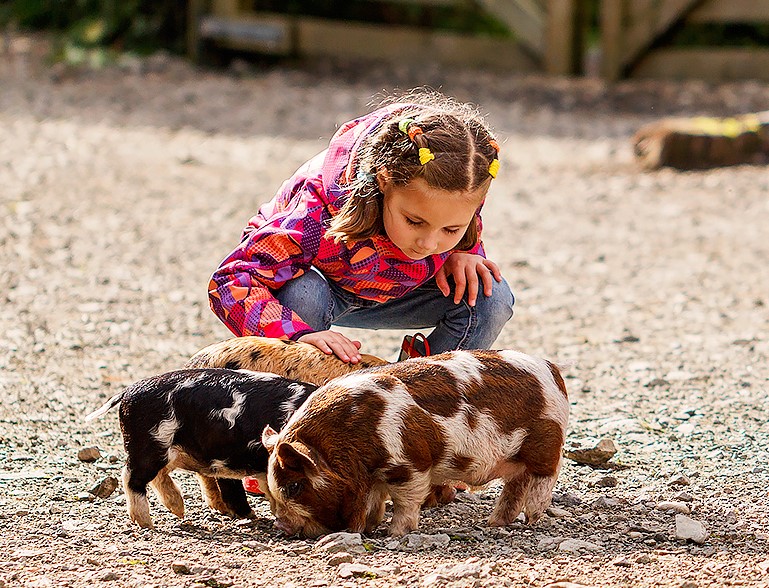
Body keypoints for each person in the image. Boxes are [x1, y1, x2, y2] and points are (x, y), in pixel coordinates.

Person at [208, 88, 514, 366]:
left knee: (490, 296)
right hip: (324, 290)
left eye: (450, 229)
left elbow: (456, 224)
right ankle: (303, 392)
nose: (428, 244)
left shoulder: (462, 183)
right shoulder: (314, 212)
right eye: (414, 222)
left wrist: (465, 251)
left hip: (403, 292)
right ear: (383, 181)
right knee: (303, 294)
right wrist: (296, 335)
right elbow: (230, 282)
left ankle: (418, 389)